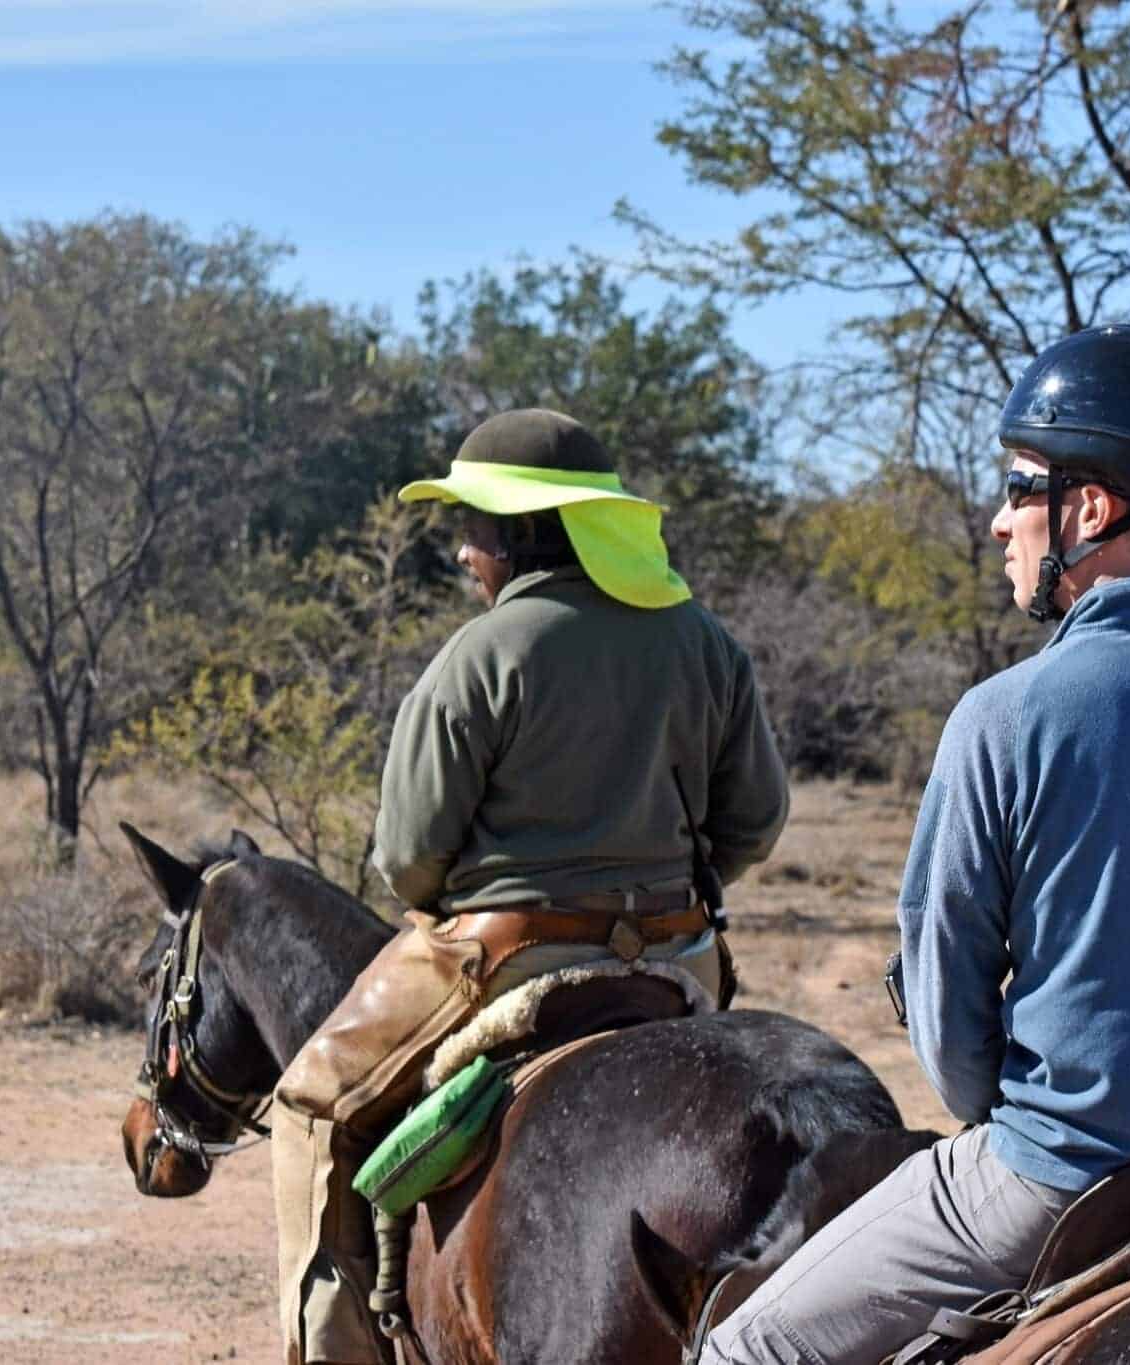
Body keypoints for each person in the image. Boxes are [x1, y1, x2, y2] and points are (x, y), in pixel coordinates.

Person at [703, 323, 1130, 1365]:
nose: (996, 522)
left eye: (1019, 487)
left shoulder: (1005, 714)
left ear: (1090, 509)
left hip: (1060, 1179)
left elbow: (950, 1021)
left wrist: (1004, 1112)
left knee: (744, 1351)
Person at [270, 408, 790, 1364]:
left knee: (310, 1103)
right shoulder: (706, 642)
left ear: (515, 533)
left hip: (505, 955)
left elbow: (407, 859)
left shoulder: (481, 654)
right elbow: (753, 821)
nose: (465, 551)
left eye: (472, 526)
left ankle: (331, 1349)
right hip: (681, 957)